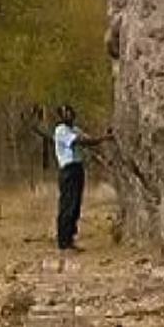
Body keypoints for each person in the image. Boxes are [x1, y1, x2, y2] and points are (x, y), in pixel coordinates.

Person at [53, 104, 111, 253]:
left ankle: (70, 238)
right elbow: (81, 142)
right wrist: (104, 138)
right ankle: (63, 242)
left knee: (76, 206)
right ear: (60, 116)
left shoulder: (75, 130)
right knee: (67, 205)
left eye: (70, 112)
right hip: (68, 170)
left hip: (78, 168)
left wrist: (103, 138)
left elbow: (89, 139)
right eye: (65, 113)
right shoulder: (61, 131)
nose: (69, 115)